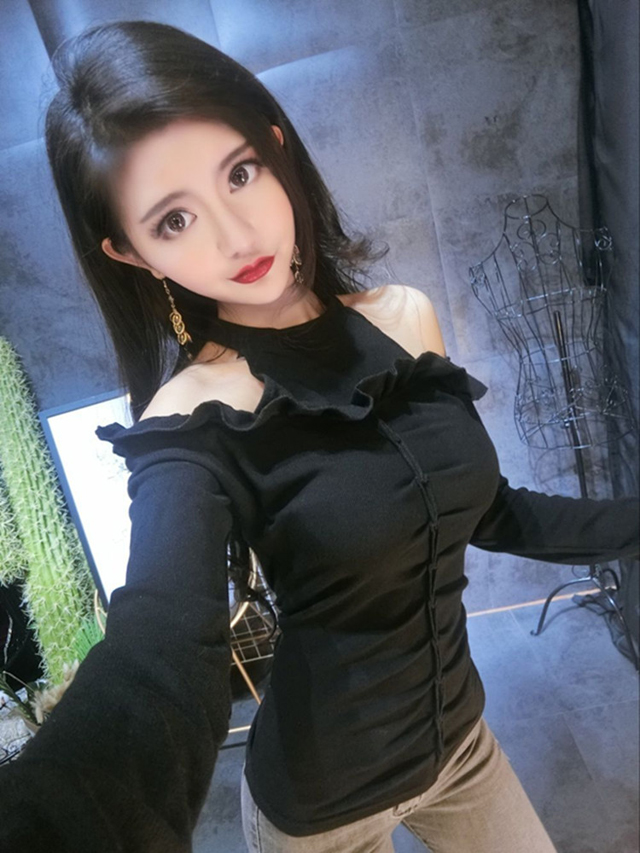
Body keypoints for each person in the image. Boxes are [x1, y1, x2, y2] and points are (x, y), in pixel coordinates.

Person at [0, 19, 638, 853]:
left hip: (462, 750)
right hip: (321, 807)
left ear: (276, 149)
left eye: (239, 174)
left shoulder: (405, 317)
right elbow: (162, 644)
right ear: (133, 253)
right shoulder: (190, 423)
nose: (236, 236)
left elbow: (491, 511)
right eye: (175, 220)